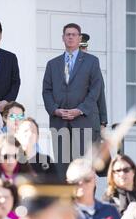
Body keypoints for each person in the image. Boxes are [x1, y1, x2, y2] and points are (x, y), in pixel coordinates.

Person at [42, 23, 103, 181]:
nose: (70, 37)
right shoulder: (52, 64)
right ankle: (65, 203)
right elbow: (46, 91)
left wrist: (80, 109)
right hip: (59, 122)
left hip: (83, 122)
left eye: (74, 34)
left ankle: (85, 202)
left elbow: (95, 90)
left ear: (79, 38)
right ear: (63, 38)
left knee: (84, 169)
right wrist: (55, 110)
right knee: (63, 170)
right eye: (67, 34)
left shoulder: (92, 61)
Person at [79, 32, 108, 142]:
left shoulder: (93, 65)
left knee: (93, 158)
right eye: (80, 48)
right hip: (73, 125)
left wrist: (103, 122)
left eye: (84, 47)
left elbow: (100, 94)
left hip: (92, 122)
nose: (83, 50)